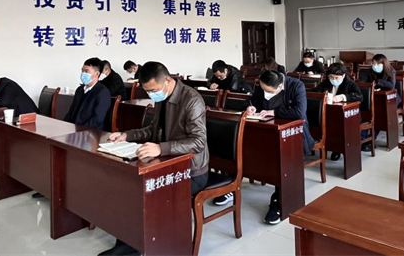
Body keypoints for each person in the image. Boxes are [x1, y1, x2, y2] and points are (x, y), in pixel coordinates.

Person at [102, 62, 209, 256]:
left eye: (153, 90)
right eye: (148, 91)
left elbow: (198, 142)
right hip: (166, 163)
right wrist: (127, 135)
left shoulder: (192, 100)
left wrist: (161, 148)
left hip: (191, 170)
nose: (152, 95)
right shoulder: (163, 96)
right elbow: (153, 129)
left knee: (145, 195)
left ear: (167, 80)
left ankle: (134, 248)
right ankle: (127, 244)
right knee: (129, 188)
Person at [213, 70, 314, 225]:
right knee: (240, 150)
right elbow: (251, 100)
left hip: (292, 135)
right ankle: (231, 187)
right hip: (265, 129)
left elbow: (299, 112)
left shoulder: (296, 86)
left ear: (280, 86)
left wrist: (273, 112)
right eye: (263, 89)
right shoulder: (263, 85)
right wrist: (250, 107)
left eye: (269, 91)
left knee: (280, 164)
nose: (265, 93)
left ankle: (278, 203)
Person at [315, 62, 363, 160]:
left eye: (336, 78)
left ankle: (337, 149)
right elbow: (315, 91)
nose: (334, 80)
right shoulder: (327, 82)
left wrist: (343, 97)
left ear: (343, 76)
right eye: (331, 77)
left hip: (346, 116)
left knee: (337, 127)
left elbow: (359, 96)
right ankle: (329, 145)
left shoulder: (349, 83)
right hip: (330, 113)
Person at [359, 54, 400, 151]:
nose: (375, 66)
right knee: (367, 113)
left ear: (384, 64)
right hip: (374, 98)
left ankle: (371, 139)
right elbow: (363, 83)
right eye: (373, 64)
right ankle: (362, 138)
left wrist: (377, 82)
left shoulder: (391, 71)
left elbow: (391, 86)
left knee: (378, 115)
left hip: (390, 99)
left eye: (377, 64)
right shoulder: (369, 71)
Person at [64, 58, 110, 130]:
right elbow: (71, 112)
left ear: (97, 74)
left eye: (86, 71)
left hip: (91, 132)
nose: (83, 74)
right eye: (82, 71)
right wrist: (64, 125)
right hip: (74, 129)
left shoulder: (102, 92)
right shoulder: (79, 90)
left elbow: (97, 119)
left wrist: (80, 130)